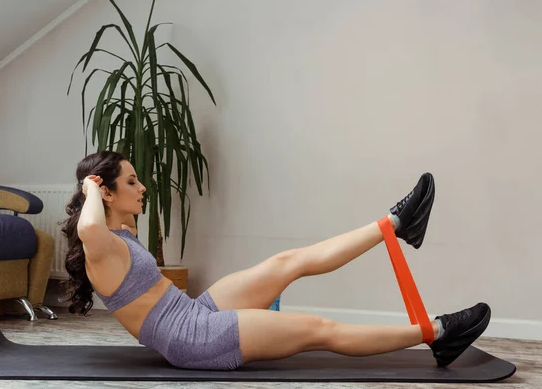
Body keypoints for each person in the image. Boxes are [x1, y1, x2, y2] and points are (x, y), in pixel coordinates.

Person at [61, 150, 491, 371]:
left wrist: (99, 193)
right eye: (131, 181)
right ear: (106, 193)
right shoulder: (101, 244)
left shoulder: (121, 233)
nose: (142, 188)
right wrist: (89, 187)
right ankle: (437, 332)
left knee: (289, 261)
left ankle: (397, 222)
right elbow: (88, 228)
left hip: (191, 312)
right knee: (318, 329)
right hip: (191, 338)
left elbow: (100, 227)